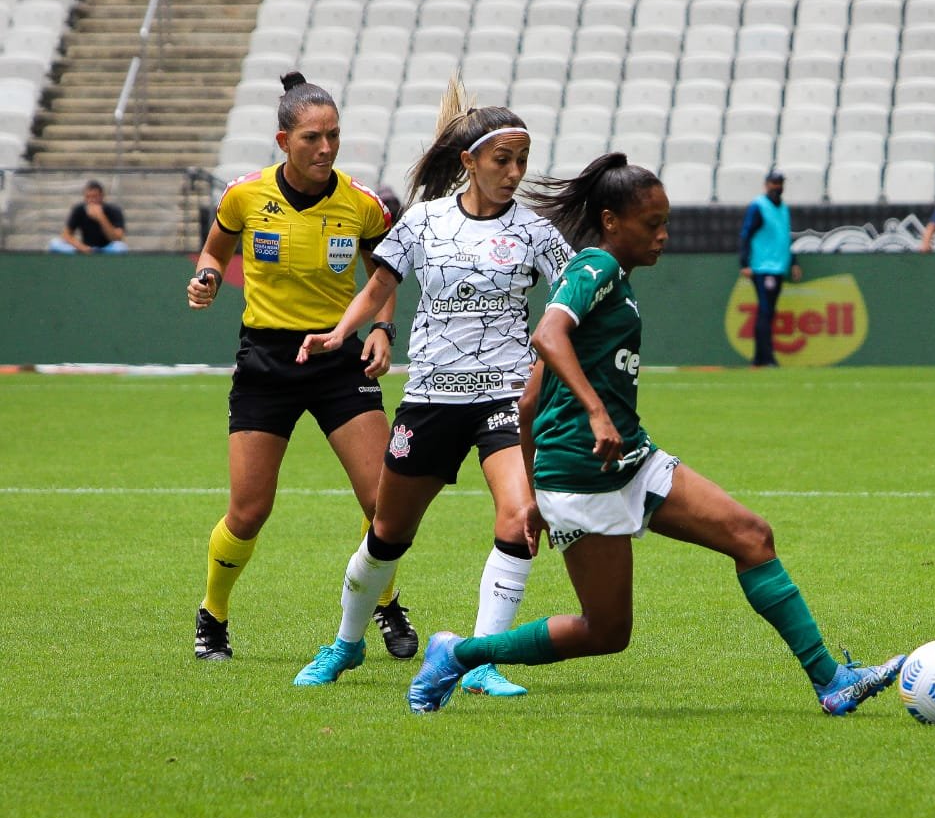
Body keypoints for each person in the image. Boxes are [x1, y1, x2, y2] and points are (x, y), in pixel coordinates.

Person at [405, 152, 905, 716]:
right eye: (652, 223)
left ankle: (831, 681)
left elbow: (528, 402)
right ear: (612, 221)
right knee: (605, 632)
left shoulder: (614, 280)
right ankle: (458, 654)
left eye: (666, 222)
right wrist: (594, 415)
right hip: (585, 471)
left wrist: (537, 494)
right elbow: (547, 334)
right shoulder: (594, 267)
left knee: (751, 536)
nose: (663, 235)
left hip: (629, 458)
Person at [290, 76, 574, 698]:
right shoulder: (423, 221)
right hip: (430, 399)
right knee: (387, 534)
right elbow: (378, 286)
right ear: (469, 161)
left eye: (522, 160)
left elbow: (574, 297)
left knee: (519, 518)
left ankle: (481, 660)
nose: (514, 172)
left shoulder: (535, 233)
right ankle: (345, 644)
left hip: (503, 396)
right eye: (502, 160)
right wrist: (340, 333)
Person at [185, 71, 418, 663]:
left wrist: (383, 330)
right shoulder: (244, 196)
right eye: (312, 137)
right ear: (283, 140)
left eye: (333, 135)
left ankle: (384, 601)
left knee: (382, 503)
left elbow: (383, 277)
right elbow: (214, 249)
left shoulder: (361, 205)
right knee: (249, 511)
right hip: (266, 363)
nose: (326, 147)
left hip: (338, 361)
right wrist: (207, 275)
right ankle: (213, 613)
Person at [738, 169, 800, 367]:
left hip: (778, 266)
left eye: (780, 183)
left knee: (769, 312)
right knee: (765, 311)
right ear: (766, 185)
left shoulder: (784, 208)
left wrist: (794, 262)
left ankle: (759, 358)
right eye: (774, 183)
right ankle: (767, 358)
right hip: (763, 266)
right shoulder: (759, 206)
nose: (777, 187)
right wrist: (744, 263)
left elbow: (785, 237)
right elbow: (746, 234)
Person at [48, 179, 128, 254]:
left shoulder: (114, 210)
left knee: (121, 247)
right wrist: (81, 247)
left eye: (94, 197)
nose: (91, 200)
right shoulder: (79, 209)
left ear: (102, 196)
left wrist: (101, 217)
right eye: (88, 197)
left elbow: (117, 238)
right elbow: (66, 235)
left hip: (107, 249)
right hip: (84, 248)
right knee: (54, 243)